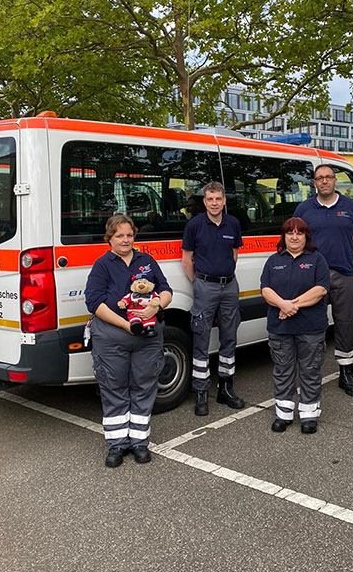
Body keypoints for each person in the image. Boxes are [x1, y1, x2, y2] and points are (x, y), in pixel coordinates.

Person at [85, 214, 173, 467]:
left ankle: (139, 443)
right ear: (109, 239)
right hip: (113, 338)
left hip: (147, 338)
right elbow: (94, 303)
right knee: (114, 389)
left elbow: (166, 289)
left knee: (144, 387)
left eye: (129, 235)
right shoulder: (102, 264)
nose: (125, 240)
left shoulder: (146, 261)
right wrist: (127, 324)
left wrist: (156, 306)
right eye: (119, 236)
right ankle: (116, 445)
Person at [294, 165, 353, 397]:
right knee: (313, 324)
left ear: (335, 181)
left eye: (328, 178)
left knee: (345, 324)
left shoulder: (350, 207)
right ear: (314, 183)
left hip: (343, 273)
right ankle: (310, 371)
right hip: (312, 275)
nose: (324, 181)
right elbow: (294, 239)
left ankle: (346, 374)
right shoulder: (304, 208)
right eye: (319, 178)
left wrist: (344, 254)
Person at [260, 217, 330, 434]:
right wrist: (282, 304)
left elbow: (320, 290)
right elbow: (265, 290)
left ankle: (309, 414)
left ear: (305, 237)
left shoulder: (317, 260)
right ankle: (284, 413)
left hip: (310, 327)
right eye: (290, 233)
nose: (294, 236)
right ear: (284, 236)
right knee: (283, 370)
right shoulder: (273, 261)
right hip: (280, 329)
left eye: (299, 233)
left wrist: (290, 306)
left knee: (310, 370)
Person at [181, 181, 245, 416]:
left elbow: (234, 254)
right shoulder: (195, 225)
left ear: (224, 200)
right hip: (204, 286)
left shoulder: (233, 223)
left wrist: (223, 275)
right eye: (210, 199)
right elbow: (187, 259)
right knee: (201, 338)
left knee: (230, 337)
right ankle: (201, 392)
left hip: (229, 286)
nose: (214, 203)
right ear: (204, 201)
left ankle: (226, 389)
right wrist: (199, 283)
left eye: (218, 199)